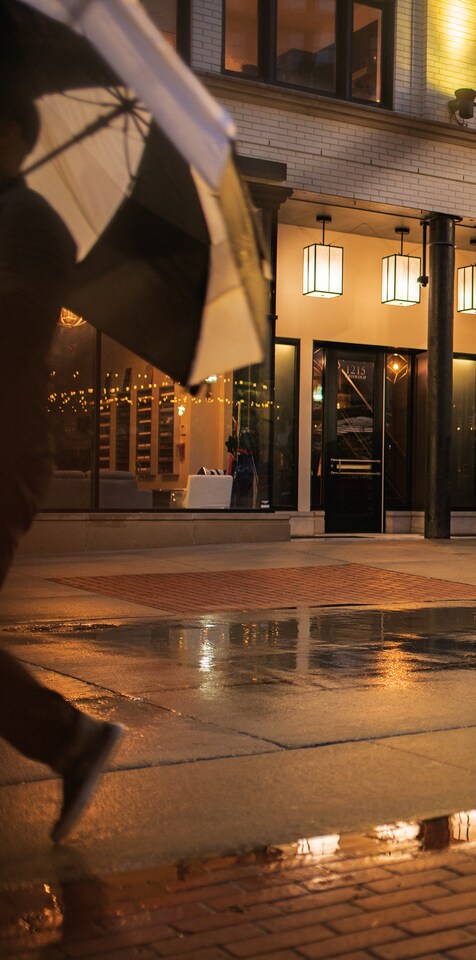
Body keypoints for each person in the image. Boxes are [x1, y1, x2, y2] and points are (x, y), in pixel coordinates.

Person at [0, 89, 125, 843]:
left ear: (11, 133)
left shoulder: (32, 224)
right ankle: (68, 740)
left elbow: (12, 331)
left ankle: (70, 739)